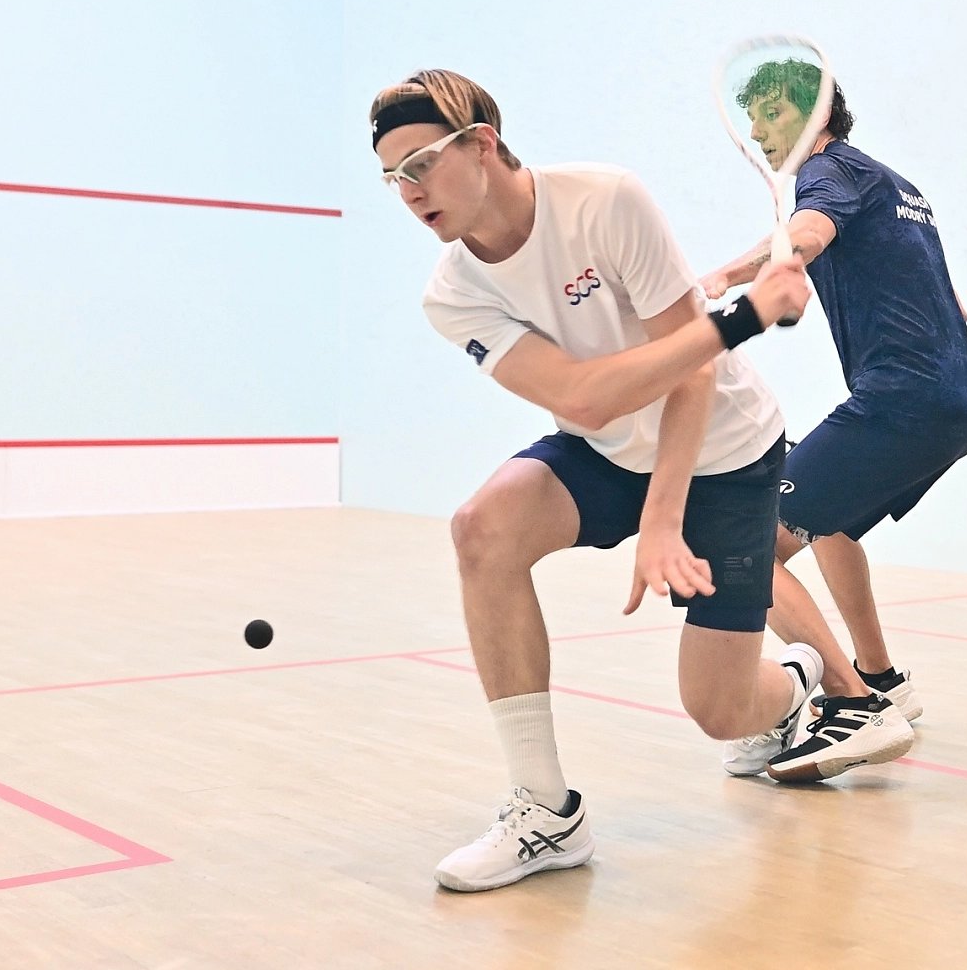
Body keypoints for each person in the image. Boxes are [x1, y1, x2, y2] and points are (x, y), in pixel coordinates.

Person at [370, 68, 911, 893]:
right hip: (606, 445)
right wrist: (745, 315)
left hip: (728, 455)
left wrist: (666, 517)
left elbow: (692, 371)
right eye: (391, 178)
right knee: (482, 529)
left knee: (721, 713)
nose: (408, 191)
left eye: (420, 164)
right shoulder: (454, 293)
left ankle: (797, 674)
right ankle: (546, 811)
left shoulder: (604, 201)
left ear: (480, 144)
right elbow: (582, 397)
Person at [701, 61, 967, 780]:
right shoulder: (892, 185)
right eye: (753, 116)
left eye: (772, 113)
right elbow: (949, 300)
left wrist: (785, 264)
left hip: (901, 400)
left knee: (743, 545)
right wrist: (730, 274)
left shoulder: (825, 173)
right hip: (961, 397)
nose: (757, 131)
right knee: (826, 521)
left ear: (817, 114)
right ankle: (881, 678)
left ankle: (850, 703)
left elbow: (807, 230)